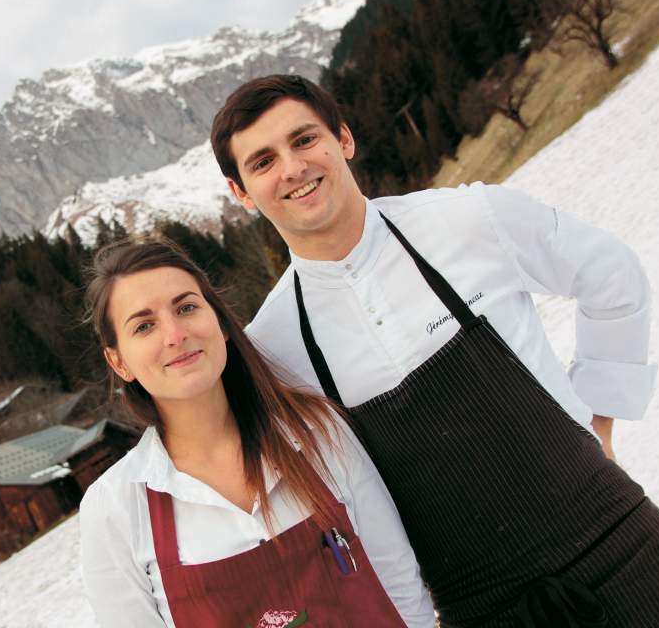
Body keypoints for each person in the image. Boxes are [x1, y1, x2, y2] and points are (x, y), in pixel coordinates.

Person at [209, 73, 659, 627]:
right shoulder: (275, 346)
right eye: (262, 162)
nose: (293, 168)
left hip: (622, 546)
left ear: (343, 139)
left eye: (303, 139)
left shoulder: (465, 221)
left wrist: (600, 418)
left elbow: (612, 274)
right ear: (241, 192)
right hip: (480, 609)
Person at [79, 240, 437, 627]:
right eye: (144, 326)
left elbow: (400, 586)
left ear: (220, 322)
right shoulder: (116, 508)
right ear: (119, 362)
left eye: (186, 308)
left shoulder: (315, 431)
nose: (174, 334)